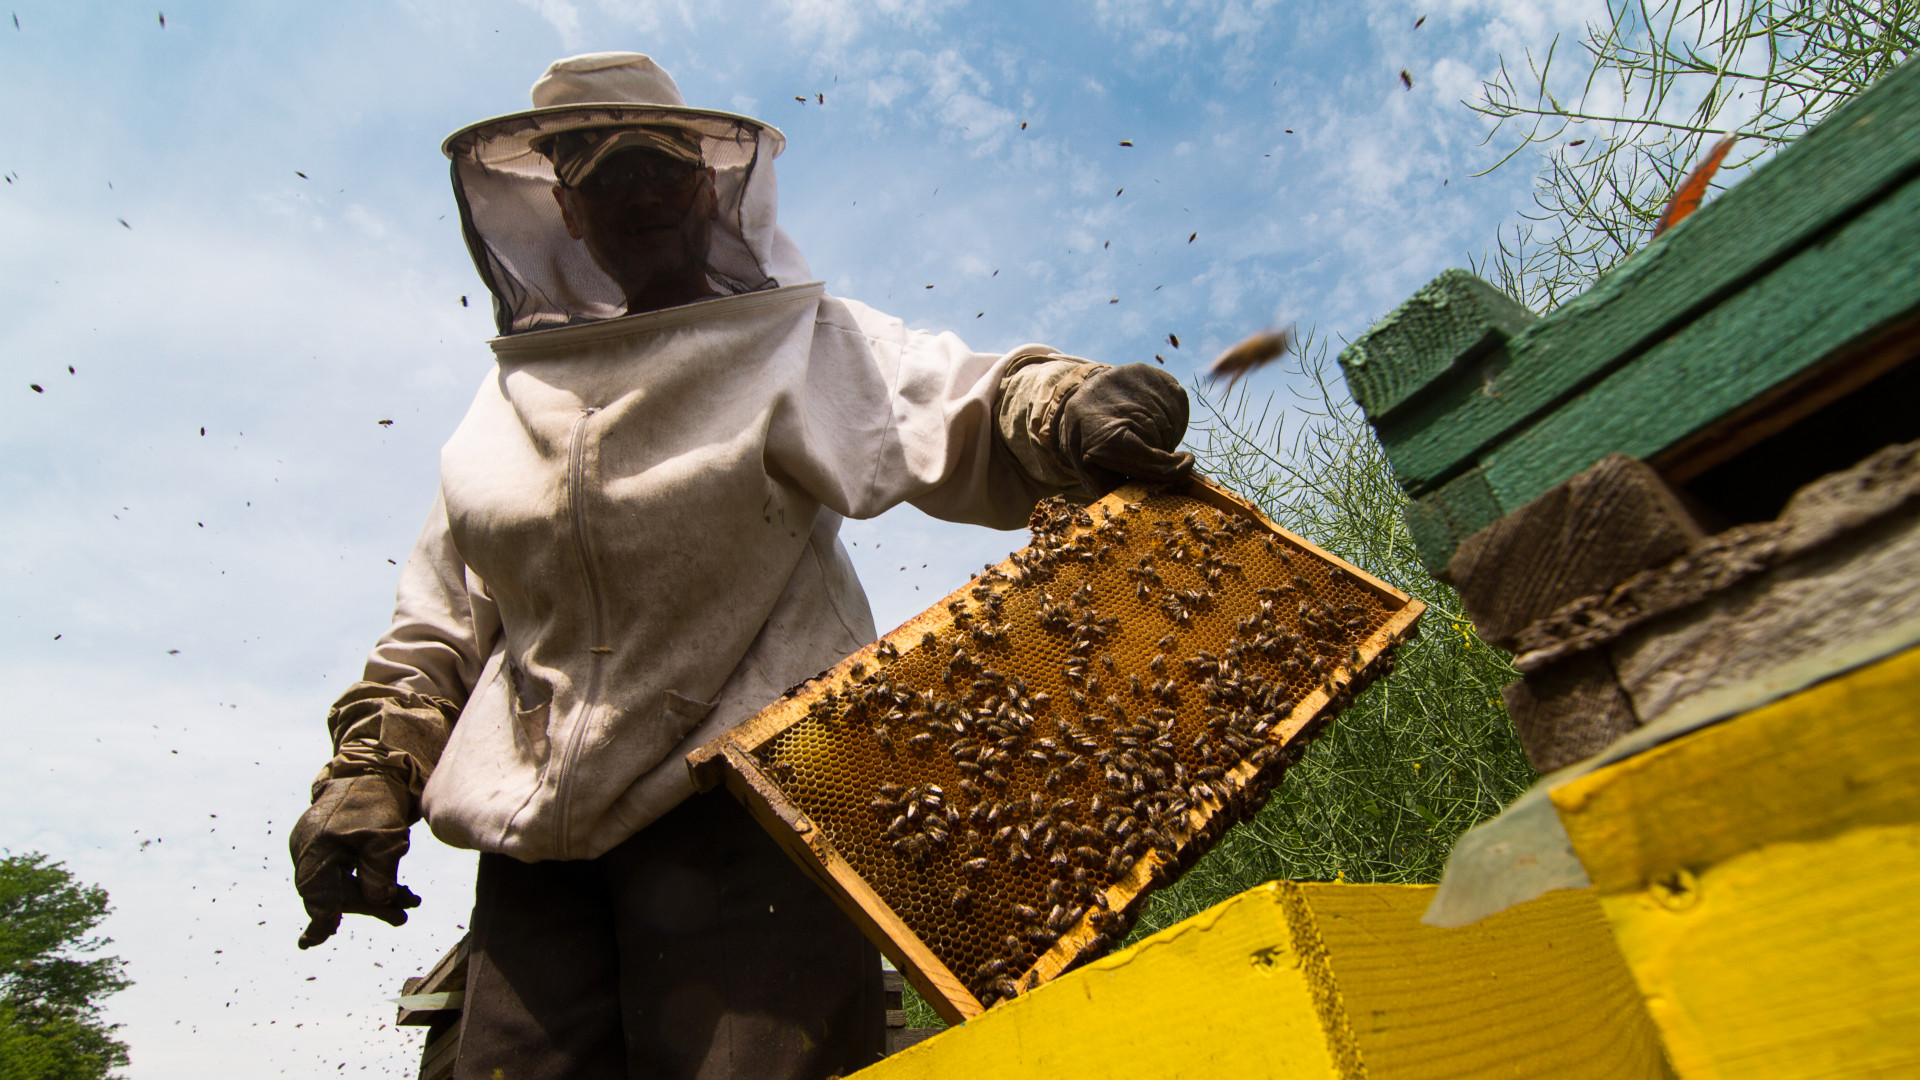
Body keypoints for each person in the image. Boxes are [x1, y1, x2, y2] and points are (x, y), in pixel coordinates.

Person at [289, 52, 1192, 1080]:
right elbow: (442, 619)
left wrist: (1069, 406)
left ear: (707, 185)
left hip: (755, 820)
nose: (635, 194)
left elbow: (947, 399)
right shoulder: (506, 406)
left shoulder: (796, 340)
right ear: (566, 212)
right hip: (536, 860)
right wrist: (368, 774)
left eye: (657, 168)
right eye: (600, 176)